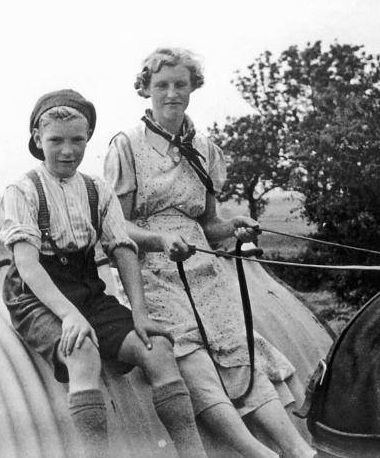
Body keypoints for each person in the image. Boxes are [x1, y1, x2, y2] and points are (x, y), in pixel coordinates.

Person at [104, 49, 317, 458]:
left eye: (180, 85)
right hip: (149, 267)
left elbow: (209, 224)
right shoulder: (127, 146)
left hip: (199, 262)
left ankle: (297, 450)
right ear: (145, 89)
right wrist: (159, 241)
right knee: (187, 346)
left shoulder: (204, 147)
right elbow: (119, 226)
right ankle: (257, 453)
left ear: (192, 88)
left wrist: (235, 224)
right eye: (161, 85)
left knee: (235, 342)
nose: (171, 94)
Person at [0, 89, 207, 458]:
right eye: (56, 141)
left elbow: (123, 250)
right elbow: (28, 266)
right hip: (38, 296)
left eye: (78, 140)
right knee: (82, 352)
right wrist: (69, 316)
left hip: (88, 292)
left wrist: (140, 315)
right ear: (37, 139)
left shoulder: (97, 189)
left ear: (88, 138)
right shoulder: (24, 190)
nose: (68, 150)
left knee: (157, 348)